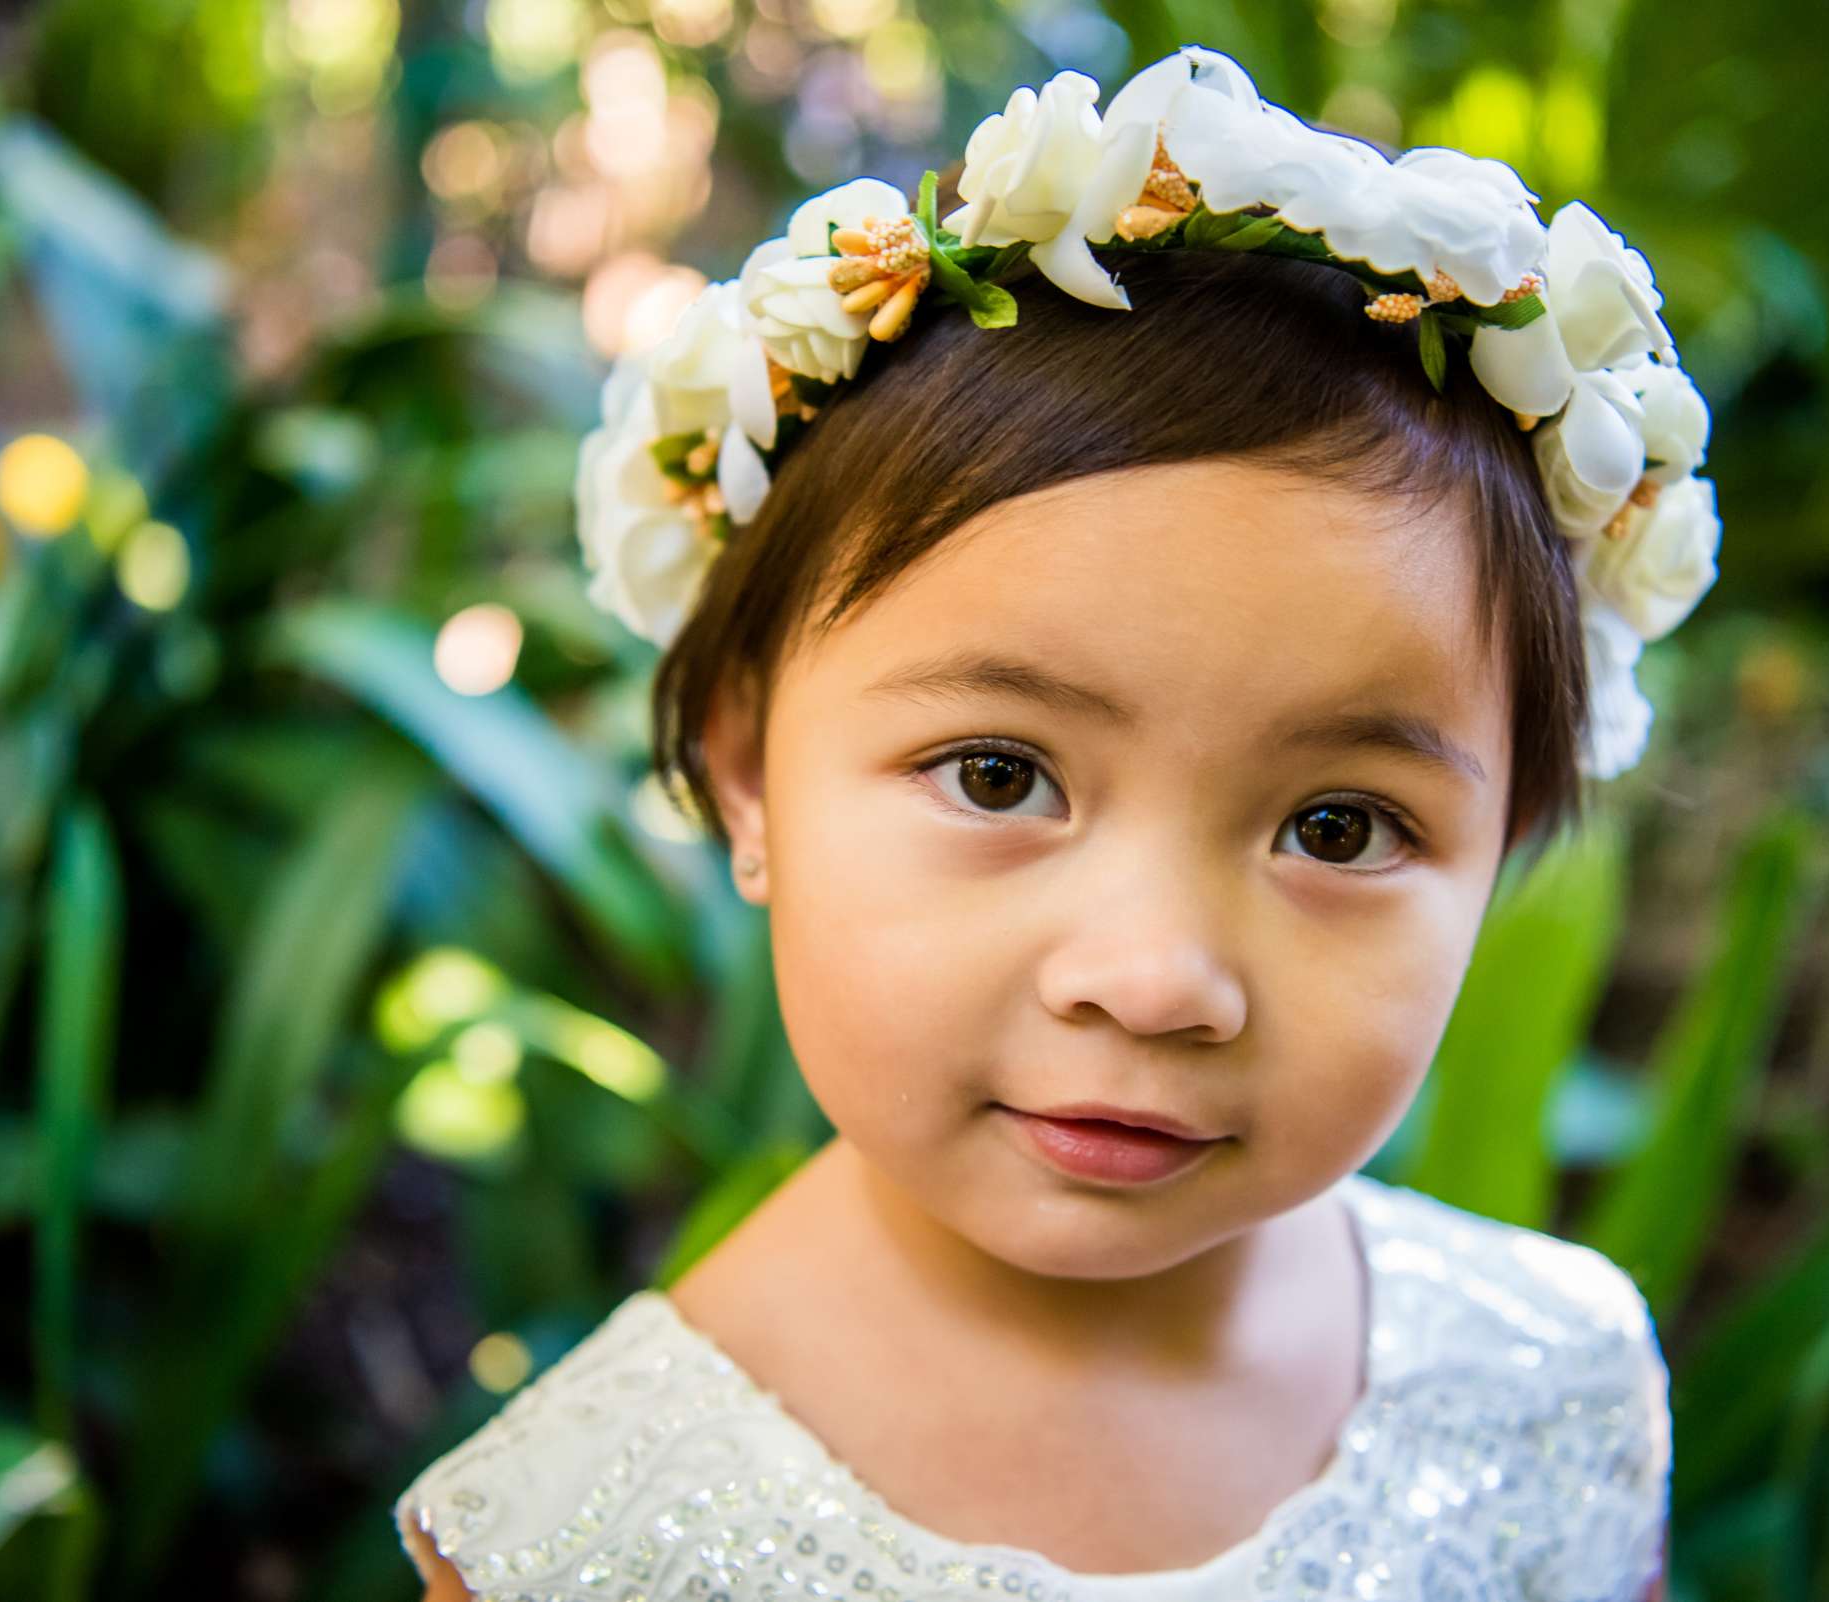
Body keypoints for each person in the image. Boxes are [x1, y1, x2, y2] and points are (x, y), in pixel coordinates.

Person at [395, 41, 1716, 1602]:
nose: (1153, 980)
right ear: (747, 773)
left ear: (1504, 849)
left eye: (1342, 827)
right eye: (1001, 775)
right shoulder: (576, 1542)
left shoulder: (1554, 1384)